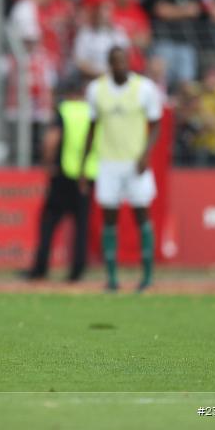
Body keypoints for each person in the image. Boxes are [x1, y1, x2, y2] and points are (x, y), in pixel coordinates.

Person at [80, 47, 162, 292]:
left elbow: (156, 123)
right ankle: (112, 277)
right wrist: (85, 165)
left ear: (129, 62)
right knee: (109, 217)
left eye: (123, 61)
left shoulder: (144, 88)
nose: (120, 66)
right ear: (109, 64)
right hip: (108, 162)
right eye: (115, 62)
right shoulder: (97, 90)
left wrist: (146, 153)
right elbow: (92, 128)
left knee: (141, 214)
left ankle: (147, 275)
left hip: (135, 161)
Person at [25, 78, 97, 282]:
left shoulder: (64, 111)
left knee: (48, 222)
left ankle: (40, 268)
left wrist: (48, 164)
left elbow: (51, 140)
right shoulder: (91, 112)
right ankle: (78, 270)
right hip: (87, 175)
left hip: (63, 175)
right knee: (81, 226)